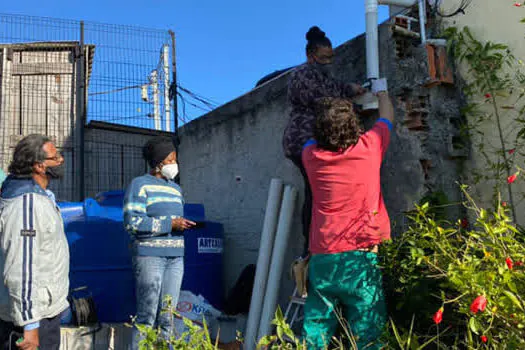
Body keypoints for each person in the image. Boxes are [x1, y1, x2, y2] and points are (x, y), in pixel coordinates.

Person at [301, 79, 393, 349]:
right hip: (361, 256)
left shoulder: (310, 155)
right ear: (354, 125)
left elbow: (310, 136)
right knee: (369, 333)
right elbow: (387, 116)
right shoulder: (371, 146)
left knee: (315, 331)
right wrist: (382, 93)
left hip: (323, 255)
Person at [283, 26, 366, 255]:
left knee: (319, 191)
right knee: (315, 192)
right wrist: (354, 107)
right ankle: (309, 247)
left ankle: (316, 243)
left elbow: (335, 88)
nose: (328, 62)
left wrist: (353, 89)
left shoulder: (321, 75)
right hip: (303, 142)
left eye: (331, 58)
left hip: (316, 142)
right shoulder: (302, 75)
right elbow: (325, 102)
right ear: (311, 56)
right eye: (323, 58)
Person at [124, 137, 196, 348]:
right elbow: (132, 223)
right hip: (150, 257)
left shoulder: (176, 188)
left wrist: (182, 225)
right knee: (147, 316)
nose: (175, 164)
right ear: (158, 162)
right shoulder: (139, 185)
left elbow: (173, 222)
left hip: (176, 258)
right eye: (171, 159)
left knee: (168, 317)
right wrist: (170, 224)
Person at [0, 134, 69, 350]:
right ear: (39, 166)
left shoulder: (40, 196)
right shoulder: (27, 204)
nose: (61, 159)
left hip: (41, 311)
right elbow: (21, 267)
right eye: (55, 156)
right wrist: (30, 326)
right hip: (31, 320)